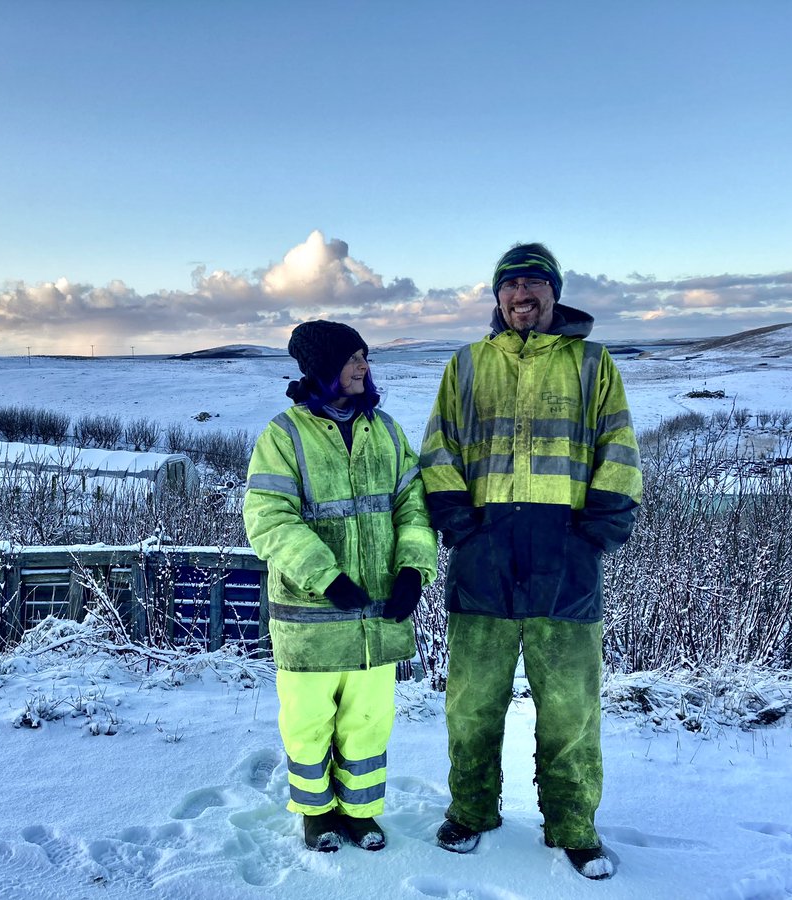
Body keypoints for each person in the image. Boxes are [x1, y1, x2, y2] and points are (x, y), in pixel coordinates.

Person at [419, 243, 642, 880]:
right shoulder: (465, 365)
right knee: (471, 703)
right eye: (511, 285)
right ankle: (470, 812)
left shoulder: (592, 363)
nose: (522, 295)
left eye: (534, 284)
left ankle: (573, 827)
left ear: (554, 293)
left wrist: (593, 533)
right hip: (483, 561)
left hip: (565, 562)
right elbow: (439, 450)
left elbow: (619, 446)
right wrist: (463, 527)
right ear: (496, 298)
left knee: (571, 707)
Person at [244, 320, 438, 853]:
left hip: (377, 617)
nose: (363, 367)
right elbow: (268, 519)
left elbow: (412, 506)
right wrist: (325, 577)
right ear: (323, 368)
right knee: (308, 723)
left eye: (365, 357)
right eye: (353, 358)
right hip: (310, 620)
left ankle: (359, 812)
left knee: (370, 721)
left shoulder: (388, 431)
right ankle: (315, 812)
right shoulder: (282, 437)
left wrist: (413, 570)